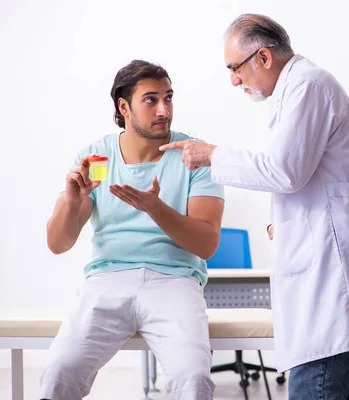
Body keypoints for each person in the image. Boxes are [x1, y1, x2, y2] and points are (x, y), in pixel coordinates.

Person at [160, 14, 349, 399]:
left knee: (315, 382)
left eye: (235, 68)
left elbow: (284, 171)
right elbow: (308, 176)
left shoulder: (308, 86)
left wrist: (210, 155)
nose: (234, 80)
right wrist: (282, 223)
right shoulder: (298, 89)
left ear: (264, 58)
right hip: (328, 254)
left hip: (330, 265)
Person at [41, 60, 225, 400]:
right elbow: (58, 243)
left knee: (193, 377)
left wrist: (155, 209)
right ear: (123, 106)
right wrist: (72, 200)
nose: (164, 110)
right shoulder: (96, 159)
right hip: (108, 280)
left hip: (175, 281)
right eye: (151, 100)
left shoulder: (194, 156)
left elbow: (207, 244)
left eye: (168, 98)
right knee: (59, 371)